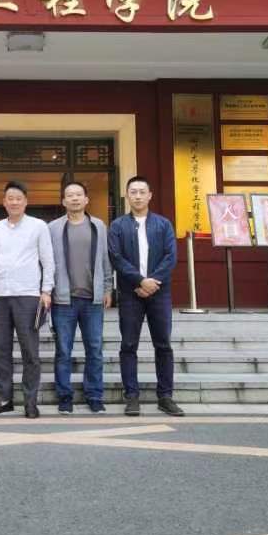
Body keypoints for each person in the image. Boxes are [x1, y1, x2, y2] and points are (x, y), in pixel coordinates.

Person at [108, 176, 184, 417]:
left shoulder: (163, 224)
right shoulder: (118, 226)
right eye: (133, 192)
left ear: (150, 195)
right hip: (131, 293)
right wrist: (140, 281)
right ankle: (132, 396)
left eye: (142, 191)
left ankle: (165, 396)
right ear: (127, 195)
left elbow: (170, 256)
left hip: (159, 293)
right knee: (128, 345)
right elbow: (116, 257)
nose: (138, 196)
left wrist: (152, 282)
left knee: (163, 344)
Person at [0, 180, 55, 419]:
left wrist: (46, 290)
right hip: (0, 296)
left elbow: (48, 260)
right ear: (4, 202)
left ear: (26, 202)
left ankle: (30, 401)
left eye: (18, 198)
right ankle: (4, 399)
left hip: (28, 295)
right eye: (10, 198)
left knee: (30, 352)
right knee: (1, 350)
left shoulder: (38, 226)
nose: (14, 202)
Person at [49, 181, 112, 415]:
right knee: (63, 351)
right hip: (63, 299)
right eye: (70, 195)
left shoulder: (98, 226)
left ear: (86, 199)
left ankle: (94, 396)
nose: (74, 198)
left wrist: (107, 288)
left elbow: (105, 258)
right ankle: (65, 397)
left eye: (78, 195)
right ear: (63, 201)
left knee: (94, 349)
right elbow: (46, 261)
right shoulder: (53, 228)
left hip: (92, 299)